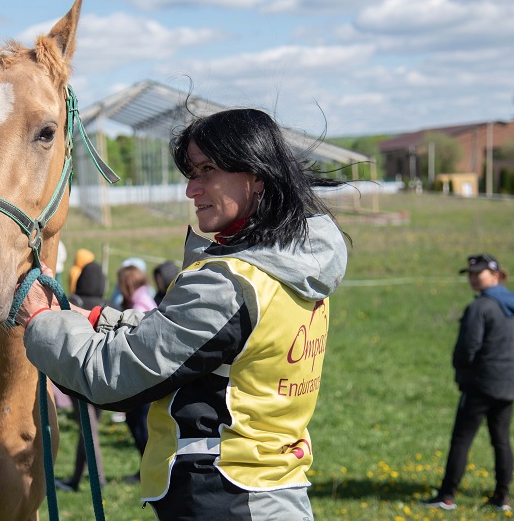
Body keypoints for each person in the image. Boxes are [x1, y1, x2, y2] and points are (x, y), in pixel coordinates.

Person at [20, 107, 348, 519]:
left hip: (226, 501)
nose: (192, 190)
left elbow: (113, 377)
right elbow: (180, 337)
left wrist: (40, 322)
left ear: (258, 174)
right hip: (274, 493)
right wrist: (85, 319)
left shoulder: (228, 284)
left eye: (207, 170)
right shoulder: (292, 265)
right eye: (191, 174)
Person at [421, 254, 514, 512]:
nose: (473, 278)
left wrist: (462, 372)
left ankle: (446, 496)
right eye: (470, 273)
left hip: (481, 384)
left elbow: (467, 349)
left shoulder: (480, 308)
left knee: (461, 440)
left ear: (496, 274)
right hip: (509, 383)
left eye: (479, 273)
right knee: (501, 440)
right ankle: (502, 497)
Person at [57, 259, 108, 493]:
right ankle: (76, 478)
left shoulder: (74, 303)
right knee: (88, 429)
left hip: (79, 379)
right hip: (104, 378)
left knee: (89, 431)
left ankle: (98, 480)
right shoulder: (106, 307)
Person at [116, 263, 157, 480]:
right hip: (142, 375)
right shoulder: (142, 299)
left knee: (142, 426)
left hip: (142, 377)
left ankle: (149, 472)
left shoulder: (140, 305)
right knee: (136, 424)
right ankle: (146, 470)